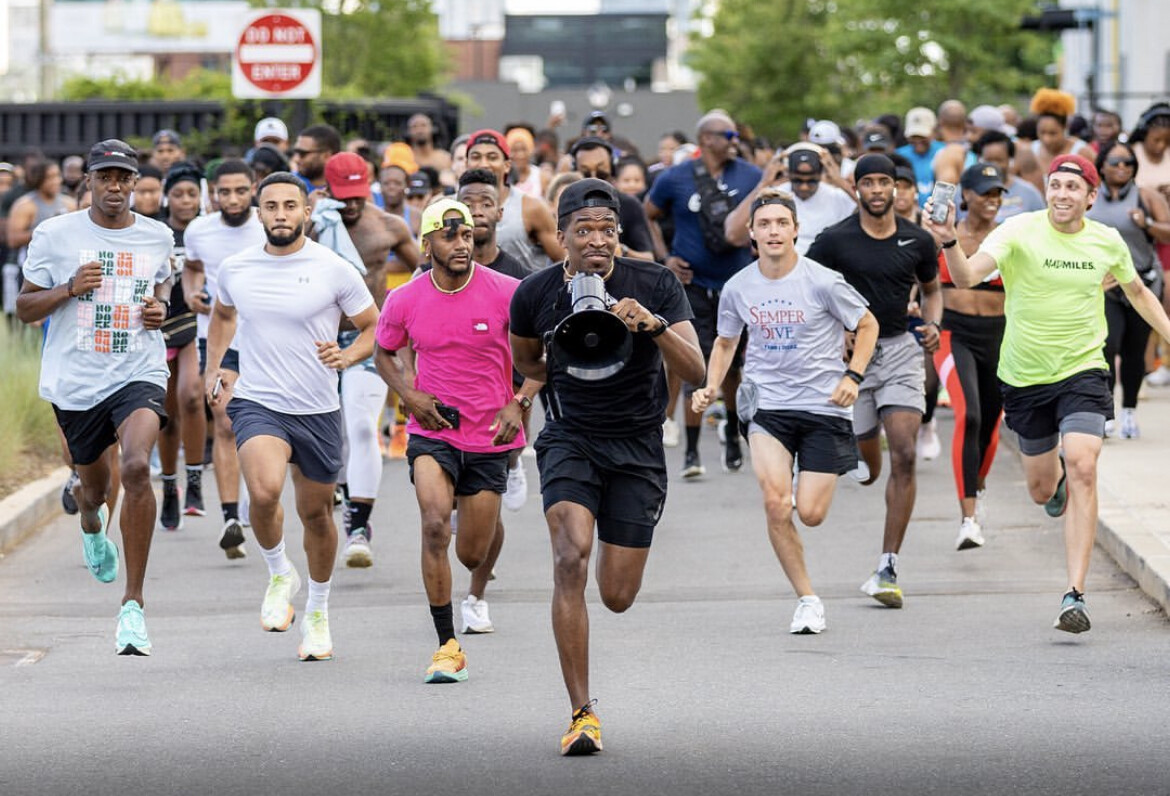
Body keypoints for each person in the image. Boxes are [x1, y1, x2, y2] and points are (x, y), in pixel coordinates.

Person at [926, 153, 1170, 633]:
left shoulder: (1106, 240)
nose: (1062, 194)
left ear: (1091, 197)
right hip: (1025, 378)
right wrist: (950, 239)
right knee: (1042, 491)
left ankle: (1074, 594)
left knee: (1083, 465)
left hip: (1083, 370)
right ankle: (1055, 482)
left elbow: (1139, 293)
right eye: (1055, 185)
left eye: (1072, 187)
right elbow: (968, 275)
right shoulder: (1018, 230)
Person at [510, 178, 705, 755]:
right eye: (583, 230)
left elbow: (696, 371)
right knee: (569, 556)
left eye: (607, 230)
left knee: (617, 594)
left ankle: (613, 545)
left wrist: (655, 325)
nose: (596, 240)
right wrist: (555, 366)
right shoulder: (534, 293)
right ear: (561, 236)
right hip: (570, 437)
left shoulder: (654, 282)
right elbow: (527, 361)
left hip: (638, 445)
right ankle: (582, 714)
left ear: (618, 233)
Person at [205, 171, 378, 661]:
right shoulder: (237, 268)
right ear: (258, 213)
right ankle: (280, 571)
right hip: (258, 400)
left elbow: (373, 326)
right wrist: (215, 368)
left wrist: (348, 355)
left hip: (317, 407)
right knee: (262, 494)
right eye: (271, 206)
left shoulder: (334, 268)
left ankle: (318, 610)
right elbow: (222, 316)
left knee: (316, 514)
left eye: (289, 206)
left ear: (306, 211)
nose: (280, 214)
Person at [693, 188, 877, 634]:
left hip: (823, 406)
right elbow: (725, 343)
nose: (773, 231)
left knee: (810, 514)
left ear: (796, 230)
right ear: (752, 234)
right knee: (776, 504)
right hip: (767, 405)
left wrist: (852, 376)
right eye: (765, 224)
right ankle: (808, 600)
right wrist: (711, 386)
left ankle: (809, 475)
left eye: (781, 223)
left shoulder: (823, 281)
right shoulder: (739, 287)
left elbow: (867, 324)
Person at [17, 138, 173, 655]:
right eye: (105, 177)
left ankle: (133, 606)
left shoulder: (157, 236)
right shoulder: (55, 234)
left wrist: (159, 310)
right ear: (88, 181)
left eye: (123, 178)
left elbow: (162, 289)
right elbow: (24, 307)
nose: (115, 187)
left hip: (138, 370)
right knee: (95, 490)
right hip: (78, 382)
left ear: (135, 184)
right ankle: (90, 524)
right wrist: (67, 289)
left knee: (136, 467)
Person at [375, 198, 536, 680]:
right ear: (427, 245)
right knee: (432, 525)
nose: (461, 244)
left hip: (490, 433)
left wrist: (518, 402)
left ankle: (476, 581)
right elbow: (384, 352)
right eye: (449, 236)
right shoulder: (404, 298)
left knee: (471, 552)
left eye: (466, 235)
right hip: (434, 430)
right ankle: (447, 645)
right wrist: (409, 394)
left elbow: (543, 356)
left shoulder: (507, 291)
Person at [806, 154, 941, 608]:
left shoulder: (918, 239)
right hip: (853, 359)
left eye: (886, 182)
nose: (878, 190)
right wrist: (837, 329)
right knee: (869, 469)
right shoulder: (834, 240)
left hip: (901, 350)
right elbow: (809, 290)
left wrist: (933, 324)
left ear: (897, 188)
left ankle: (887, 565)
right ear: (856, 187)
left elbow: (933, 289)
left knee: (905, 452)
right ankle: (865, 456)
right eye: (869, 182)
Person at [311, 152, 419, 567]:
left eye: (358, 194)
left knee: (361, 426)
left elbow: (426, 269)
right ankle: (340, 494)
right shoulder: (313, 224)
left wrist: (399, 308)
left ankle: (359, 526)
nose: (351, 203)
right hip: (317, 340)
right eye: (343, 195)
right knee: (332, 434)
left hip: (371, 336)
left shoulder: (388, 226)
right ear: (328, 189)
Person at [645, 110, 763, 477]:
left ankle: (733, 434)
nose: (734, 141)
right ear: (706, 139)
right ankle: (692, 453)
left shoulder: (749, 174)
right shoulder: (676, 177)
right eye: (728, 135)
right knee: (696, 365)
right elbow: (648, 213)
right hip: (691, 285)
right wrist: (665, 258)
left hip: (736, 283)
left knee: (732, 368)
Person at [183, 159, 267, 558]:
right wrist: (191, 293)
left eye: (240, 191)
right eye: (224, 192)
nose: (232, 199)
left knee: (262, 424)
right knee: (225, 420)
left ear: (254, 189)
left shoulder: (269, 223)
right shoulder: (198, 230)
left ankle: (255, 496)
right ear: (212, 193)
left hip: (267, 340)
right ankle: (231, 518)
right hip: (215, 338)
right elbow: (192, 268)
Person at [932, 162, 1008, 551]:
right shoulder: (943, 235)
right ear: (966, 195)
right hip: (954, 333)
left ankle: (975, 483)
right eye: (985, 193)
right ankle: (968, 518)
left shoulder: (1009, 237)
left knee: (991, 422)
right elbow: (921, 280)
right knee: (970, 414)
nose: (992, 200)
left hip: (1000, 336)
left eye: (998, 194)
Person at [1088, 141, 1170, 438]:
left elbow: (1167, 232)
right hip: (1106, 286)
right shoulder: (1091, 197)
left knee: (1135, 350)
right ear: (1101, 166)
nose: (1122, 167)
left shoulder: (1145, 196)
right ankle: (1107, 413)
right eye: (1115, 162)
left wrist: (1146, 223)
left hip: (1142, 282)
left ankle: (1130, 412)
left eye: (1128, 163)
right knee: (1108, 346)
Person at [157, 162, 207, 530]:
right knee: (166, 413)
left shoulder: (207, 232)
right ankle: (169, 487)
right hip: (159, 326)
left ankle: (195, 482)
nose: (186, 200)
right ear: (167, 198)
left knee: (191, 396)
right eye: (178, 194)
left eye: (192, 193)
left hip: (194, 322)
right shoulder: (156, 232)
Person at [724, 144, 855, 256]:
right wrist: (764, 183)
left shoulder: (837, 196)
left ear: (820, 175)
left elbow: (867, 213)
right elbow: (733, 235)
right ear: (789, 174)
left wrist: (840, 182)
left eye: (811, 181)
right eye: (797, 180)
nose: (804, 187)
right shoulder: (774, 195)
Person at [466, 128, 565, 274]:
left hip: (520, 287)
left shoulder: (531, 207)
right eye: (476, 157)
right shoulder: (448, 207)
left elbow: (564, 260)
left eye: (492, 157)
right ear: (466, 163)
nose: (484, 164)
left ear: (507, 165)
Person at [569, 137, 661, 260]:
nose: (594, 179)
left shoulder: (630, 205)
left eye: (601, 172)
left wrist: (622, 250)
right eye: (586, 174)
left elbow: (648, 258)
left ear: (612, 169)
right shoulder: (566, 205)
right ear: (574, 172)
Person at [7, 159, 75, 264]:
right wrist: (45, 230)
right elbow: (13, 240)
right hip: (34, 265)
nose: (56, 181)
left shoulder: (69, 203)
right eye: (50, 177)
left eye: (57, 176)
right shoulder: (25, 205)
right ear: (38, 179)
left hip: (64, 263)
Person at [972, 131, 1046, 222]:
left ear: (1010, 160)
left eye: (999, 160)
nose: (993, 166)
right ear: (979, 159)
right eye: (988, 160)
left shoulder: (1029, 193)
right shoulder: (967, 193)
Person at [896, 107, 944, 207]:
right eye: (913, 136)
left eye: (922, 136)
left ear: (933, 132)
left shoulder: (944, 152)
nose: (917, 141)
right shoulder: (899, 155)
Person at [292, 124, 341, 193]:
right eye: (296, 152)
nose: (296, 159)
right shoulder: (289, 185)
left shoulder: (347, 188)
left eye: (302, 154)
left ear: (327, 156)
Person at [506, 126, 544, 199]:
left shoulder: (540, 176)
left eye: (524, 149)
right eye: (515, 150)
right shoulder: (504, 177)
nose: (520, 155)